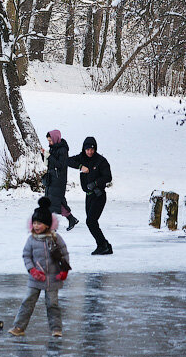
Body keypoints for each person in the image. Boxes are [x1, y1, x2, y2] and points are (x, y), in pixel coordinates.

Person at [8, 197, 71, 337]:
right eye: (34, 223)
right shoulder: (31, 239)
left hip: (53, 279)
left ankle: (56, 329)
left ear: (47, 224)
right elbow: (26, 256)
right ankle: (19, 327)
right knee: (27, 302)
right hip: (35, 279)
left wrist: (64, 271)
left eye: (40, 223)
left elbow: (64, 254)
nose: (36, 226)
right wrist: (32, 270)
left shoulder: (55, 238)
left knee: (52, 305)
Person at [67, 136, 113, 255]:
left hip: (99, 195)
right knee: (92, 222)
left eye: (92, 149)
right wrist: (80, 166)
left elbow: (108, 177)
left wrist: (96, 183)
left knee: (91, 221)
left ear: (95, 149)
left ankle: (102, 245)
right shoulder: (81, 158)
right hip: (88, 196)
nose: (90, 152)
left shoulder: (101, 161)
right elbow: (67, 161)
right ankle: (106, 245)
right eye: (87, 149)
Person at [40, 130, 79, 230]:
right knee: (54, 201)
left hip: (58, 179)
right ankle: (70, 219)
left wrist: (49, 156)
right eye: (48, 141)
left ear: (55, 139)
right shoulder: (53, 148)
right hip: (52, 178)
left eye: (50, 141)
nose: (49, 143)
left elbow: (60, 165)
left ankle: (54, 224)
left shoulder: (63, 150)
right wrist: (44, 155)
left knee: (54, 201)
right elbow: (49, 164)